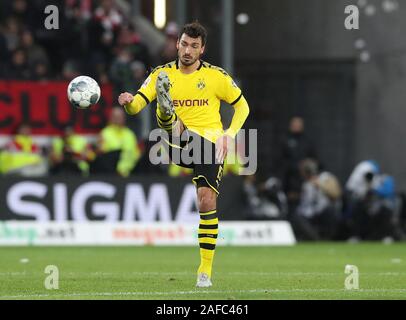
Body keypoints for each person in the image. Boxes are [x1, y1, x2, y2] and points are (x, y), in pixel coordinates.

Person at [118, 22, 250, 287]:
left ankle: (205, 272)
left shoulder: (216, 76)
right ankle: (167, 116)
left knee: (205, 203)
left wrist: (229, 134)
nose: (187, 50)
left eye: (194, 46)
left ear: (202, 50)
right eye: (184, 44)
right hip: (177, 140)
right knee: (175, 128)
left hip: (211, 144)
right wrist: (130, 102)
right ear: (177, 44)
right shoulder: (160, 74)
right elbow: (135, 108)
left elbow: (242, 107)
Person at [92, 107, 141, 177]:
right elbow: (100, 153)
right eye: (115, 117)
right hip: (111, 173)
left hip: (130, 172)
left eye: (119, 117)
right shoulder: (105, 133)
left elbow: (136, 154)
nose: (117, 119)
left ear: (124, 118)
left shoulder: (130, 134)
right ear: (111, 118)